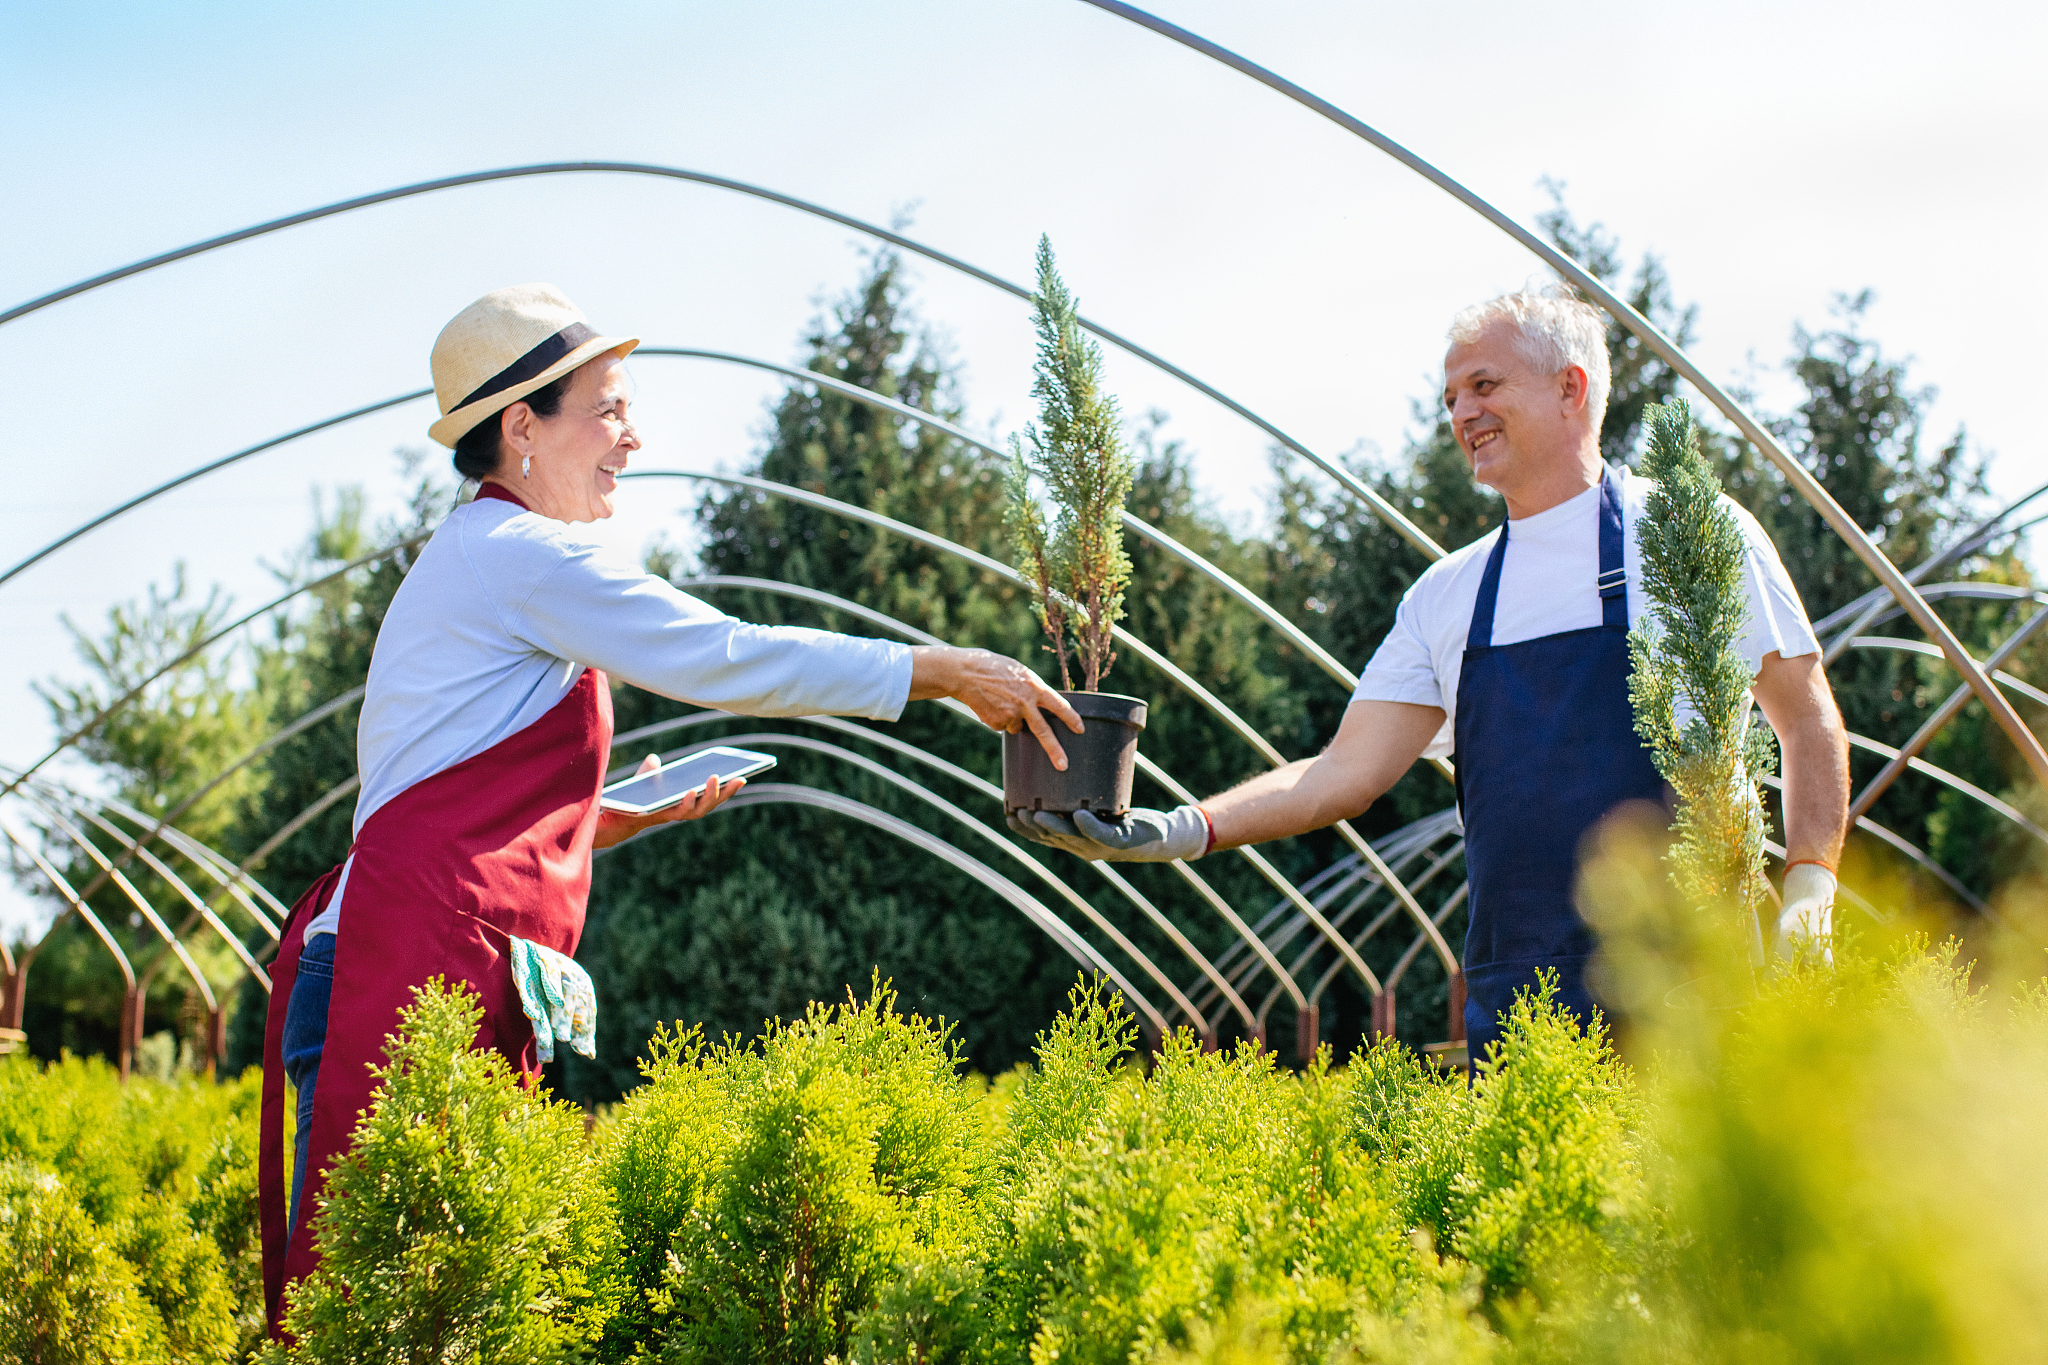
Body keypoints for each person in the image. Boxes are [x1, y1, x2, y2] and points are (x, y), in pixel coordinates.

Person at [258, 283, 1082, 1328]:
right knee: (383, 1323)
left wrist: (607, 818)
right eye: (607, 409)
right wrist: (939, 670)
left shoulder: (481, 564)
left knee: (423, 1321)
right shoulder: (519, 557)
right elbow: (720, 655)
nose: (631, 438)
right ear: (521, 426)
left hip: (427, 959)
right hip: (405, 971)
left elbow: (445, 794)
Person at [1014, 286, 1850, 1060]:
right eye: (1450, 397)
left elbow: (1805, 715)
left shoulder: (1686, 532)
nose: (1463, 413)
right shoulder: (1450, 595)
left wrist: (1809, 891)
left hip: (1692, 977)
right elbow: (1339, 776)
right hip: (1521, 995)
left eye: (1484, 385)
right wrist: (1181, 829)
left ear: (1571, 388)